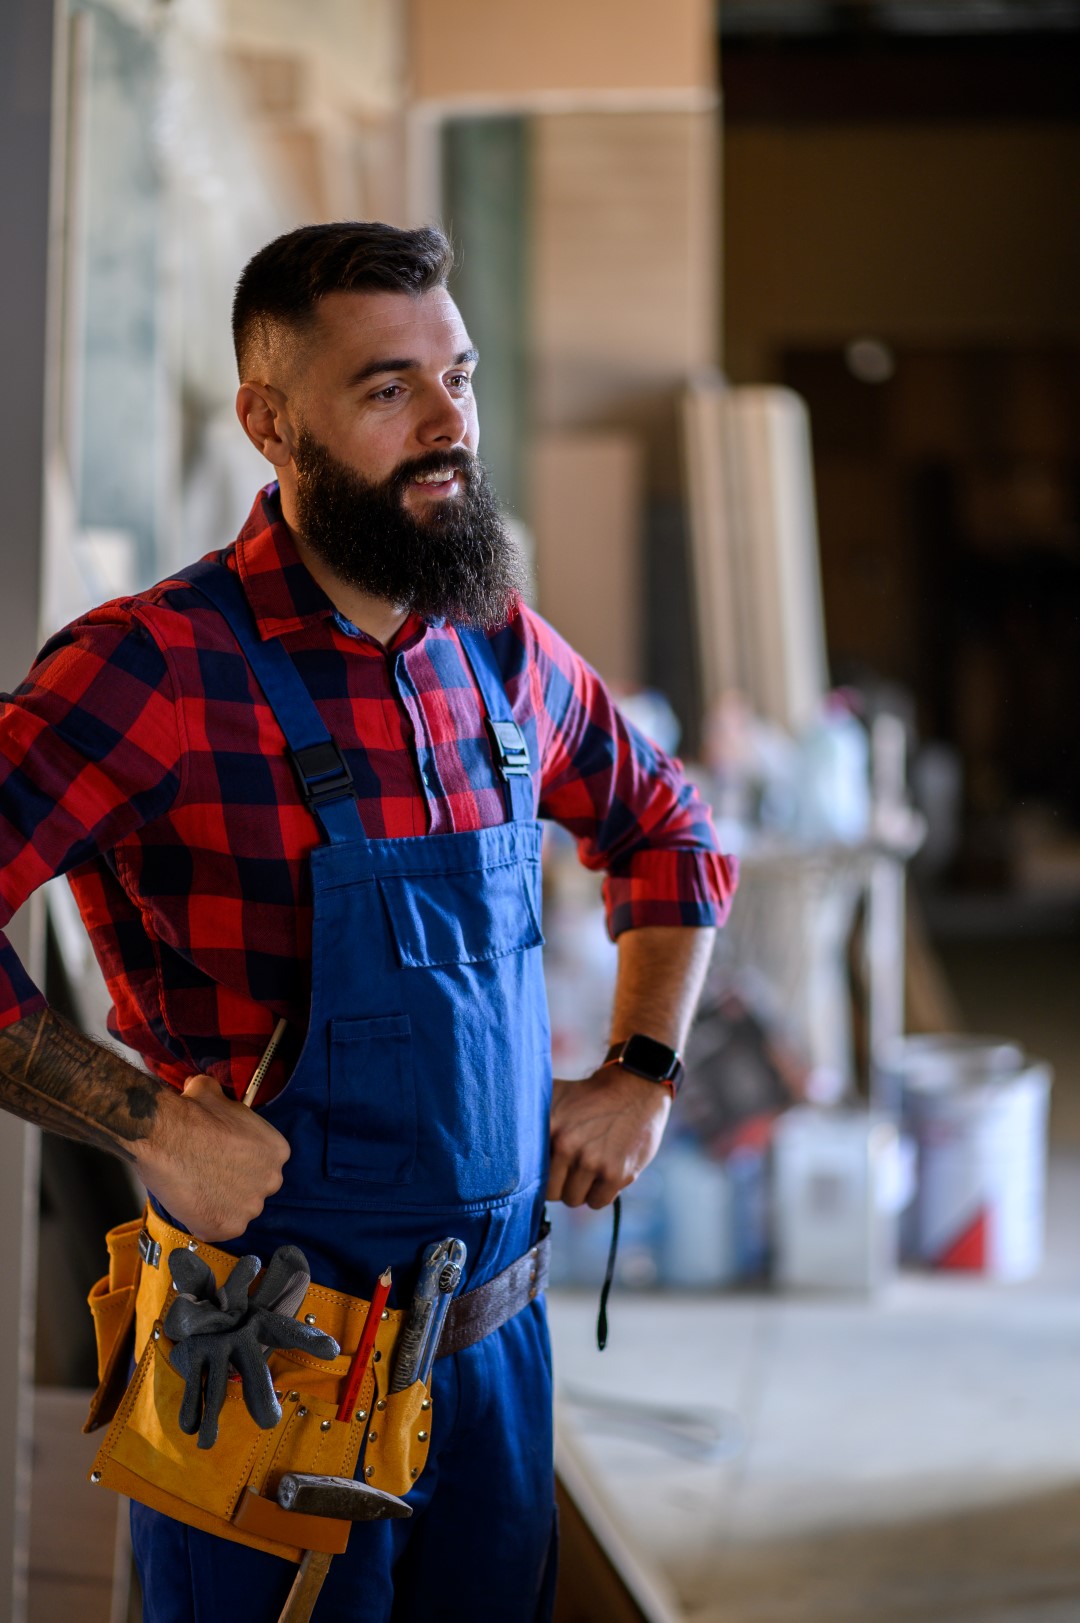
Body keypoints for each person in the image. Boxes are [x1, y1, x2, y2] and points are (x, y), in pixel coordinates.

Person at [0, 221, 735, 1621]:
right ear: (269, 423)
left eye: (459, 376)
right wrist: (148, 1127)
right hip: (263, 1357)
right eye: (389, 390)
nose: (450, 424)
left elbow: (670, 831)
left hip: (494, 1358)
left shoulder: (499, 649)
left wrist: (642, 1072)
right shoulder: (151, 671)